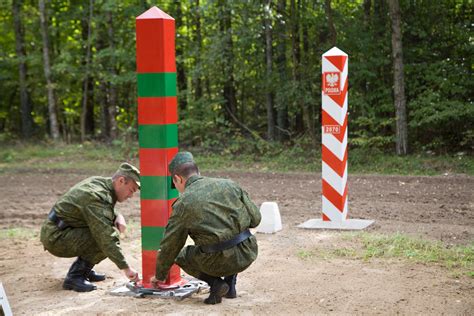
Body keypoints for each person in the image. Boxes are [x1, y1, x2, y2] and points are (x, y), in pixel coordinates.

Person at [150, 152, 261, 304]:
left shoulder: (183, 203)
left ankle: (216, 283)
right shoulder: (230, 185)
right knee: (229, 232)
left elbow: (170, 246)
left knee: (181, 255)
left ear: (177, 178)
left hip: (215, 262)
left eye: (175, 184)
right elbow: (256, 219)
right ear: (198, 172)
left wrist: (160, 275)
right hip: (247, 252)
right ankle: (230, 285)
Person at [40, 163, 141, 292]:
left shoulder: (99, 183)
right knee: (103, 237)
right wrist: (126, 268)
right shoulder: (96, 196)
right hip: (56, 237)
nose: (131, 195)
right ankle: (75, 277)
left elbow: (100, 210)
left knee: (102, 232)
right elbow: (105, 235)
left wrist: (117, 215)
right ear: (121, 181)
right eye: (131, 190)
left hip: (60, 229)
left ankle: (84, 269)